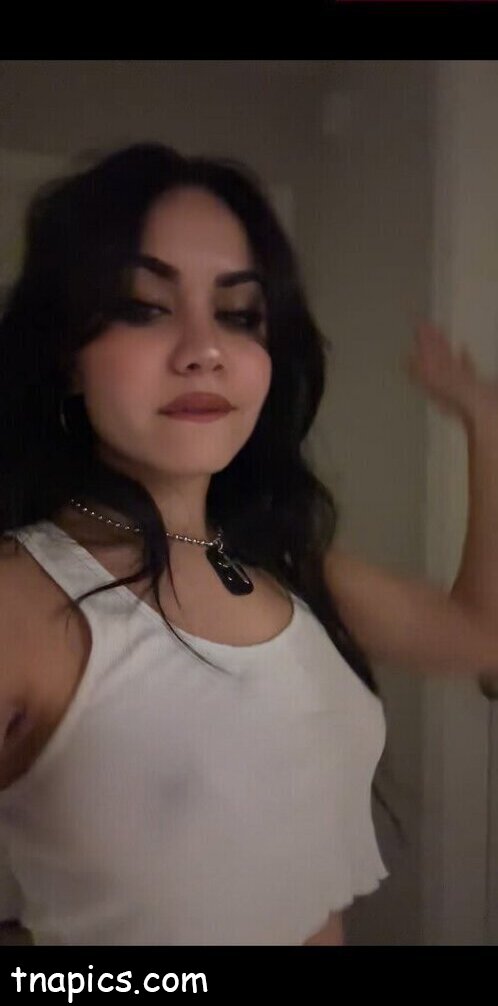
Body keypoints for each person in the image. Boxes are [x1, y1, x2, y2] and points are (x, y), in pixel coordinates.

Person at [0, 143, 497, 947]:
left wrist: (487, 422)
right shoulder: (22, 600)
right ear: (66, 358)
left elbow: (481, 633)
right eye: (144, 306)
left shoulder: (283, 565)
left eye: (238, 314)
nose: (205, 349)